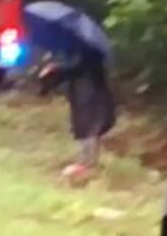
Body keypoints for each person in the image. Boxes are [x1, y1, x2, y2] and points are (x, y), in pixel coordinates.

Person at [38, 45, 117, 175]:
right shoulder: (80, 50)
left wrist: (55, 68)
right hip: (84, 94)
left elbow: (76, 68)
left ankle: (87, 164)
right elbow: (71, 71)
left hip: (90, 95)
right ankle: (87, 162)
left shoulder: (90, 51)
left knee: (89, 128)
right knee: (86, 128)